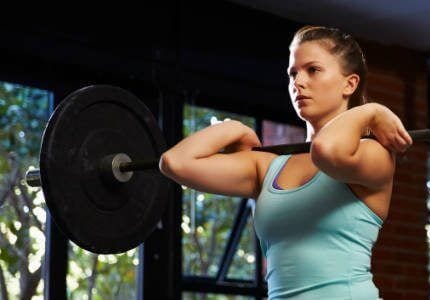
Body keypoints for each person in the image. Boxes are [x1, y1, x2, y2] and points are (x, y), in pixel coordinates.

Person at [159, 25, 412, 299]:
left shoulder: (373, 154)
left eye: (313, 70)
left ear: (350, 84)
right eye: (293, 73)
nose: (298, 82)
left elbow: (326, 150)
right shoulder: (267, 168)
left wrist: (371, 111)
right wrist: (233, 128)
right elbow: (175, 163)